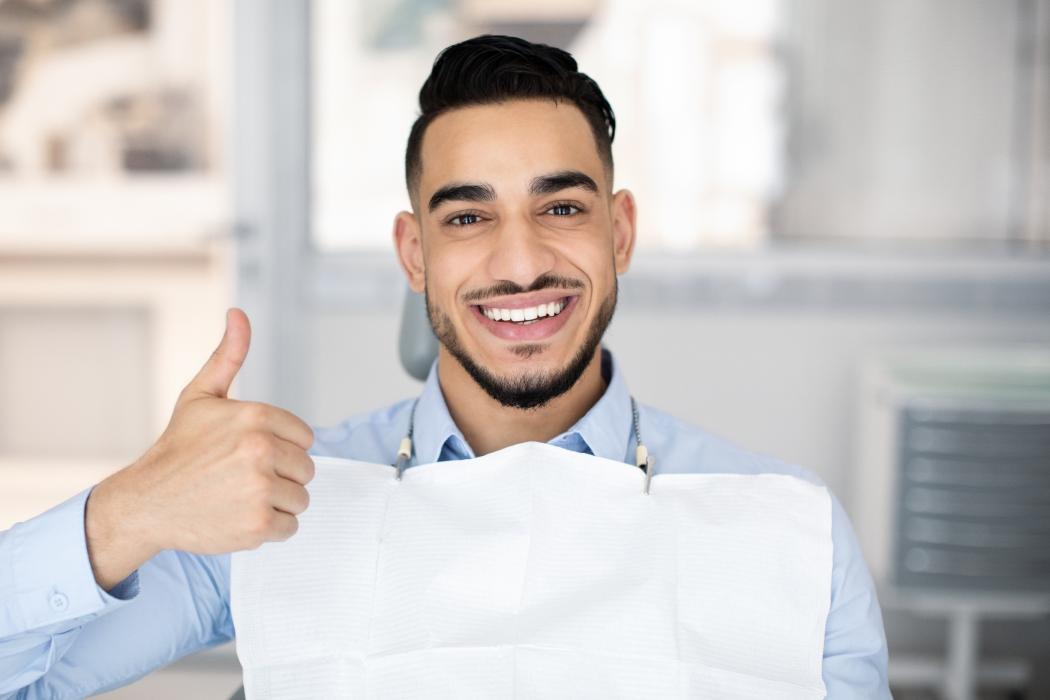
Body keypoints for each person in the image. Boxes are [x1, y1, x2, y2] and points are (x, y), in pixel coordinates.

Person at [0, 35, 890, 698]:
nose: (517, 263)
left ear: (619, 231)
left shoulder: (785, 524)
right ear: (414, 253)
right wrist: (124, 514)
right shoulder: (277, 508)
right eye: (468, 218)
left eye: (562, 208)